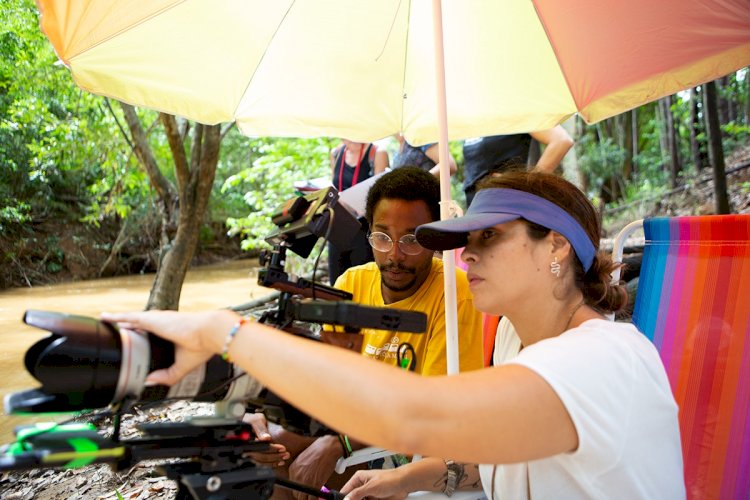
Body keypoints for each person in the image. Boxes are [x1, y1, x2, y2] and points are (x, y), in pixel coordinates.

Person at [103, 171, 684, 500]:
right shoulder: (515, 336)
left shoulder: (601, 359)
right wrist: (405, 477)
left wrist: (221, 333)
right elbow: (484, 458)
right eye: (465, 242)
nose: (466, 256)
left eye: (488, 239)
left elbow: (420, 416)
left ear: (556, 248)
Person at [247, 166, 485, 498]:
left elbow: (432, 410)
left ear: (433, 238)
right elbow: (330, 386)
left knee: (304, 466)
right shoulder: (352, 283)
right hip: (354, 423)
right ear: (368, 232)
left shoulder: (454, 294)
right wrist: (262, 416)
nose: (395, 255)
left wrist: (339, 442)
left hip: (414, 446)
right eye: (382, 236)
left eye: (412, 239)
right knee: (268, 451)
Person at [462, 125, 574, 206]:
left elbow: (561, 140)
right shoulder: (474, 117)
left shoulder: (514, 110)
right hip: (476, 205)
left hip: (504, 203)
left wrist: (528, 183)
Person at [328, 139, 389, 283]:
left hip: (364, 230)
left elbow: (382, 193)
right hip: (338, 228)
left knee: (363, 281)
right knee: (336, 283)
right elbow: (335, 185)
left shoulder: (376, 153)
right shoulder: (336, 153)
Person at [391, 134, 457, 178]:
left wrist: (418, 182)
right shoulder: (397, 150)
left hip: (426, 196)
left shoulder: (418, 137)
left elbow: (448, 165)